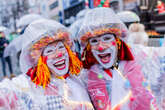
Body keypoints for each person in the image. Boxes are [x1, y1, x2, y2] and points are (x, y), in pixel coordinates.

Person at [0, 19, 94, 110]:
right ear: (39, 59)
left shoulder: (77, 79)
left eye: (61, 47)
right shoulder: (33, 86)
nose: (58, 54)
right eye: (50, 51)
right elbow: (8, 91)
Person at [78, 8, 157, 110]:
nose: (101, 47)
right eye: (94, 41)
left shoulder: (139, 61)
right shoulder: (88, 75)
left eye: (107, 39)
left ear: (118, 40)